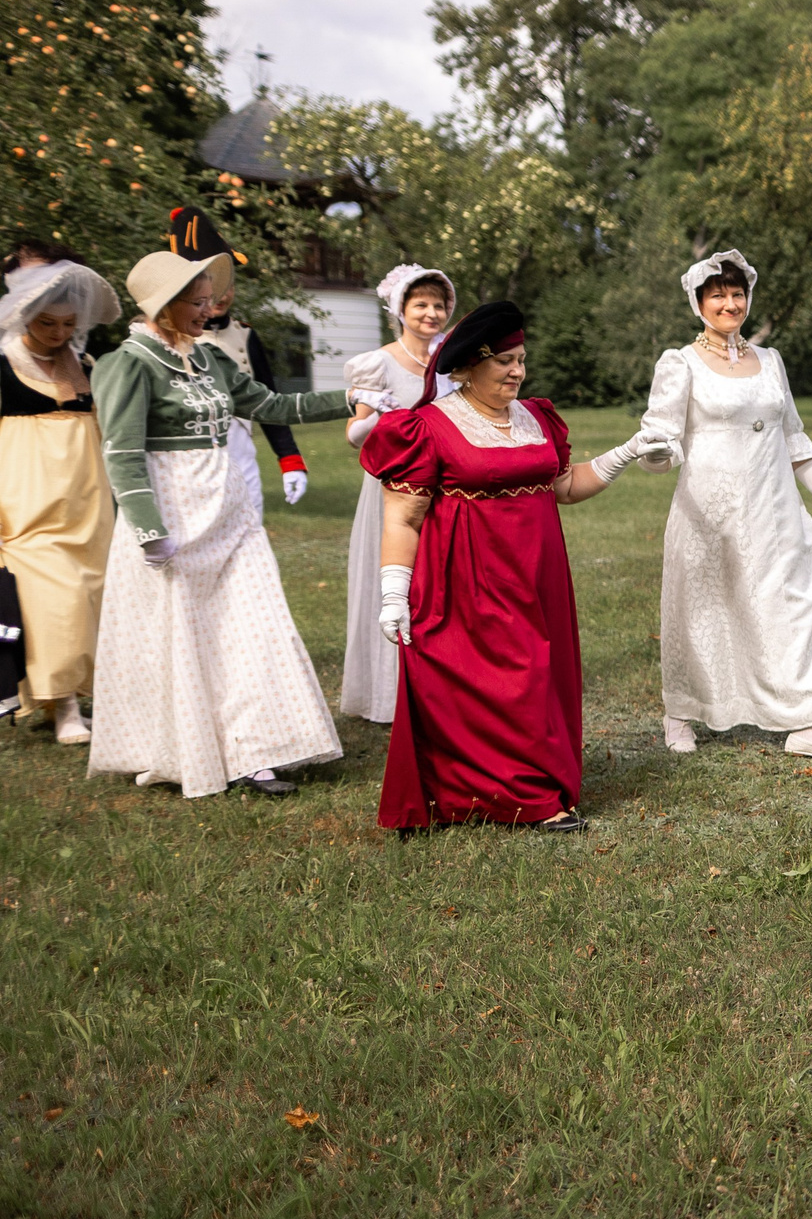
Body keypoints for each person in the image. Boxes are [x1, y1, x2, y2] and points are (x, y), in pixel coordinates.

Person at [362, 300, 676, 831]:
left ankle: (528, 787)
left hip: (537, 573)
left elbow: (565, 487)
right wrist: (395, 590)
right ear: (468, 367)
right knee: (489, 683)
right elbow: (403, 517)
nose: (517, 371)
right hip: (466, 577)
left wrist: (625, 453)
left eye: (521, 360)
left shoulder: (536, 417)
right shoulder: (428, 427)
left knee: (536, 678)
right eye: (504, 361)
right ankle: (519, 800)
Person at [86, 251, 353, 798]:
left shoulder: (210, 359)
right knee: (186, 635)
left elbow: (271, 404)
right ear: (165, 305)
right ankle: (191, 748)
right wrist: (146, 525)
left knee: (252, 627)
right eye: (199, 301)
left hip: (230, 511)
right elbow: (123, 452)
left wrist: (349, 400)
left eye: (211, 299)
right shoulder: (128, 363)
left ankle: (258, 751)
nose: (211, 309)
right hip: (174, 515)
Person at [641, 250, 812, 759]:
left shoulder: (771, 361)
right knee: (701, 608)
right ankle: (682, 711)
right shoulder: (681, 363)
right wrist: (655, 453)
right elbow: (660, 439)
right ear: (699, 303)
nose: (730, 303)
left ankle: (804, 722)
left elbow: (793, 437)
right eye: (718, 294)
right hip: (709, 508)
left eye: (737, 294)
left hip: (773, 504)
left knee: (790, 604)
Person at [0, 256, 121, 741]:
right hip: (26, 495)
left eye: (69, 324)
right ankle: (64, 705)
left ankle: (68, 699)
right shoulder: (4, 364)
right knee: (54, 595)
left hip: (86, 494)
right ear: (25, 315)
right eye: (47, 322)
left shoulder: (88, 365)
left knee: (89, 591)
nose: (57, 332)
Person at [339, 264, 455, 723]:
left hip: (444, 486)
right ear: (400, 310)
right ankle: (388, 695)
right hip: (394, 486)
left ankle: (436, 687)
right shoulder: (380, 362)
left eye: (439, 305)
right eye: (421, 304)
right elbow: (355, 434)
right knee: (395, 583)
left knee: (437, 582)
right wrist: (377, 421)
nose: (431, 313)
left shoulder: (449, 361)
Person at [169, 207, 309, 511]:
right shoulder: (170, 338)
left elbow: (269, 401)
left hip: (241, 449)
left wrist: (289, 459)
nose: (220, 296)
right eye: (207, 288)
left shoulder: (245, 335)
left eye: (227, 285)